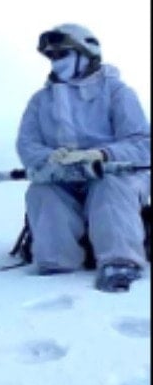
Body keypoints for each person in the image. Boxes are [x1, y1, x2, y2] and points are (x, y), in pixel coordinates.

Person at [16, 23, 151, 292]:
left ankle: (120, 262)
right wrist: (50, 158)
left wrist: (102, 154)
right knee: (43, 191)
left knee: (109, 187)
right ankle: (56, 265)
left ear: (86, 54)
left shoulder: (117, 92)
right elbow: (27, 144)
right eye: (51, 56)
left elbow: (141, 143)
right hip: (63, 177)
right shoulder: (40, 101)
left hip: (116, 174)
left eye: (62, 54)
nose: (56, 61)